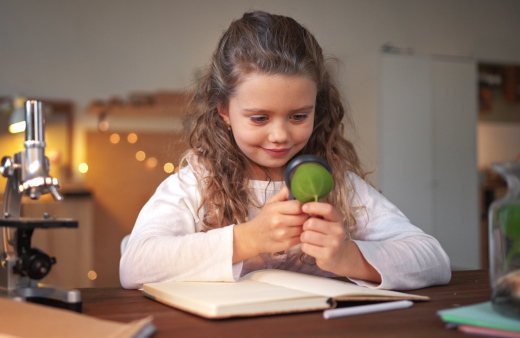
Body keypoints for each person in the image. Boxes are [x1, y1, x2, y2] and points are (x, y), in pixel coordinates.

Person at [120, 11, 451, 290]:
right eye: (260, 118)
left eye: (298, 116)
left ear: (316, 109)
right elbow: (135, 265)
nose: (280, 135)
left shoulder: (337, 184)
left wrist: (349, 256)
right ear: (224, 111)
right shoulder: (197, 183)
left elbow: (433, 259)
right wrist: (248, 239)